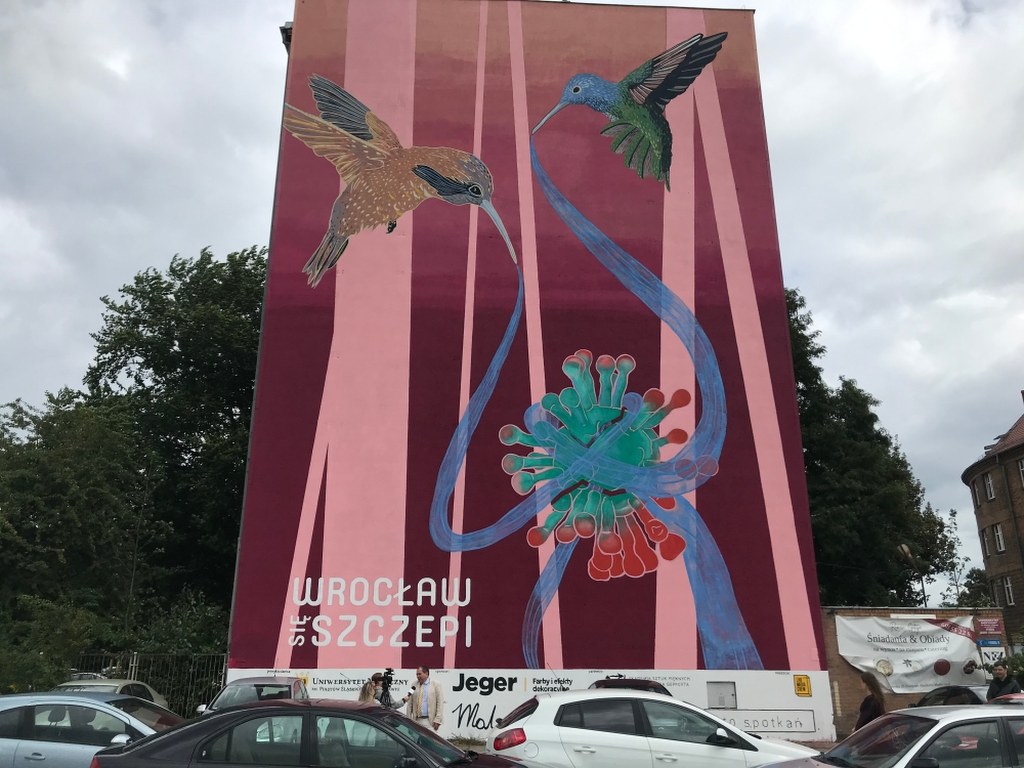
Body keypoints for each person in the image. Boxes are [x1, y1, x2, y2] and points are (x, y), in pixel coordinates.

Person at [404, 665, 443, 731]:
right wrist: (409, 719)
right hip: (416, 720)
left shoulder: (435, 684)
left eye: (420, 674)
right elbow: (410, 703)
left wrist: (438, 719)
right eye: (417, 674)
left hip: (430, 721)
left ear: (426, 674)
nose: (418, 676)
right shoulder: (414, 684)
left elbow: (440, 702)